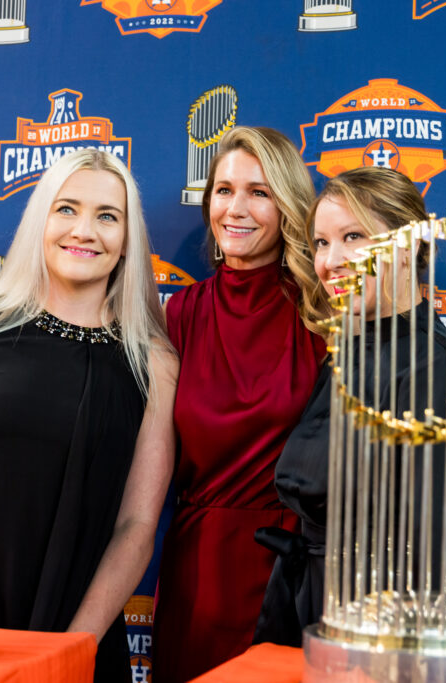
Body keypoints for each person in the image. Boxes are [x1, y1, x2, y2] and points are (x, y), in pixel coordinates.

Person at [0, 150, 177, 683]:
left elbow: (137, 525)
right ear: (40, 220)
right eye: (66, 208)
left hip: (81, 643)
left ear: (127, 240)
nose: (84, 230)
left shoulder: (154, 362)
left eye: (107, 216)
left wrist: (74, 649)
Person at [253, 166, 446, 646]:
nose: (330, 261)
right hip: (305, 610)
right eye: (321, 243)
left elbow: (444, 558)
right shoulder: (344, 356)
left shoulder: (443, 367)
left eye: (353, 237)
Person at [152, 127, 329, 682]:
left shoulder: (324, 315)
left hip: (292, 572)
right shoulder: (179, 314)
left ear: (288, 206)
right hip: (198, 571)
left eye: (259, 192)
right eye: (224, 190)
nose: (236, 208)